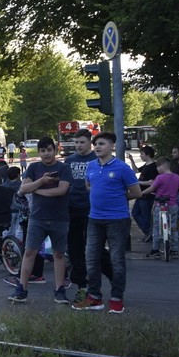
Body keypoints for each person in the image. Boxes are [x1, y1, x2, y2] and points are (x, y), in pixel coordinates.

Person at [73, 132, 141, 313]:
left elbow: (136, 193)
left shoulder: (122, 168)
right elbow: (89, 185)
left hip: (117, 220)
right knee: (92, 259)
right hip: (94, 219)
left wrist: (118, 197)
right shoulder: (91, 166)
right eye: (95, 144)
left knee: (117, 260)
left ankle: (117, 299)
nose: (97, 147)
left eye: (101, 144)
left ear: (112, 146)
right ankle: (95, 298)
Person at [11, 137, 72, 304]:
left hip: (60, 218)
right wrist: (42, 181)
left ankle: (59, 290)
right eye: (43, 150)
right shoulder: (33, 167)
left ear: (55, 150)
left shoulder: (64, 168)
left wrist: (36, 189)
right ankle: (21, 289)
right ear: (39, 152)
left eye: (49, 150)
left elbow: (61, 190)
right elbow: (23, 189)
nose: (46, 154)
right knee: (30, 252)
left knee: (59, 254)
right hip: (37, 218)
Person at [64, 128, 111, 302]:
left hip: (93, 210)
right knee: (75, 249)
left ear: (89, 143)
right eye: (76, 142)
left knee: (95, 249)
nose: (78, 145)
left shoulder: (96, 160)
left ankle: (114, 280)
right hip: (73, 209)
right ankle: (82, 288)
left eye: (82, 142)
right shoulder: (69, 160)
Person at [141, 157, 179, 258]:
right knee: (173, 227)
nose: (157, 169)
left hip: (160, 205)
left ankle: (155, 250)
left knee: (156, 227)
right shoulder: (177, 177)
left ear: (163, 166)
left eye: (158, 166)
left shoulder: (160, 177)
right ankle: (174, 250)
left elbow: (151, 188)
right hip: (173, 205)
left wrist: (141, 193)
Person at [127, 145, 158, 249]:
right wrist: (131, 160)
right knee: (135, 213)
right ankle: (148, 232)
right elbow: (135, 170)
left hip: (147, 195)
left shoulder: (153, 167)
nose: (140, 156)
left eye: (141, 154)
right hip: (141, 194)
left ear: (147, 154)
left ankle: (149, 232)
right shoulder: (146, 165)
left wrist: (137, 182)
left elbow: (152, 183)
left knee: (144, 216)